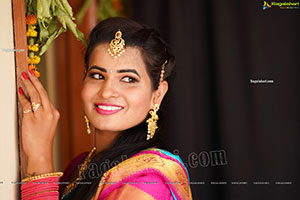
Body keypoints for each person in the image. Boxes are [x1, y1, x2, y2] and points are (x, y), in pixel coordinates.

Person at [18, 17, 193, 199]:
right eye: (97, 75)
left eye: (128, 79)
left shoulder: (149, 182)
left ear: (157, 94)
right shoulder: (80, 166)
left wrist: (39, 158)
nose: (107, 91)